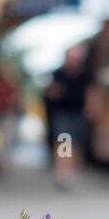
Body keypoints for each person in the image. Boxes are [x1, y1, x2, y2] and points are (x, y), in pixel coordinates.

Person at [43, 42, 93, 188]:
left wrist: (91, 107)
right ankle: (63, 172)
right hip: (62, 112)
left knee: (76, 143)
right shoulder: (58, 73)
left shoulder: (86, 73)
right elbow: (50, 91)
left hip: (78, 112)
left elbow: (92, 91)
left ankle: (72, 170)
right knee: (64, 142)